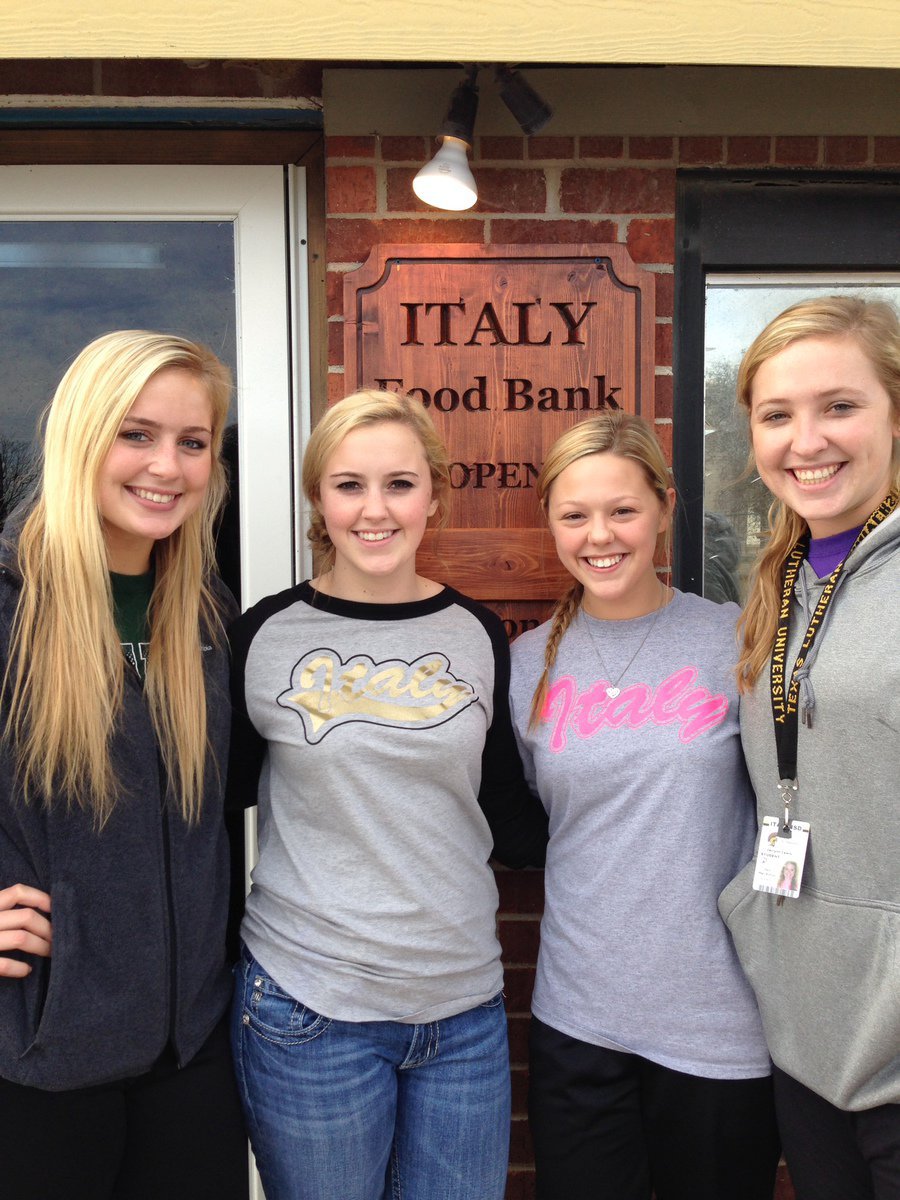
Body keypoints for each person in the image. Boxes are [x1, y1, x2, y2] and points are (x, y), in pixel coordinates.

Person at [227, 388, 548, 1200]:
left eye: (400, 484)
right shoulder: (264, 635)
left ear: (433, 496)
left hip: (463, 1013)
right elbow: (207, 808)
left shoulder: (474, 633)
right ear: (318, 498)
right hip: (309, 1008)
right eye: (349, 485)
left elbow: (507, 815)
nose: (375, 510)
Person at [0, 330, 248, 1200]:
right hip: (38, 1060)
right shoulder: (9, 606)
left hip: (191, 1057)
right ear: (83, 435)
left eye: (193, 442)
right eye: (136, 434)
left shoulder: (205, 615)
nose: (167, 467)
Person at [508, 412, 780, 1200]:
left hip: (720, 1026)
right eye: (575, 515)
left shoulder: (736, 642)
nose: (600, 535)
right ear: (550, 522)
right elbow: (528, 822)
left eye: (623, 510)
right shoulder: (524, 665)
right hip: (578, 1020)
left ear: (664, 508)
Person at [718, 295, 900, 1200]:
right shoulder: (780, 582)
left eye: (840, 406)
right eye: (776, 415)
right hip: (810, 1038)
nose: (806, 440)